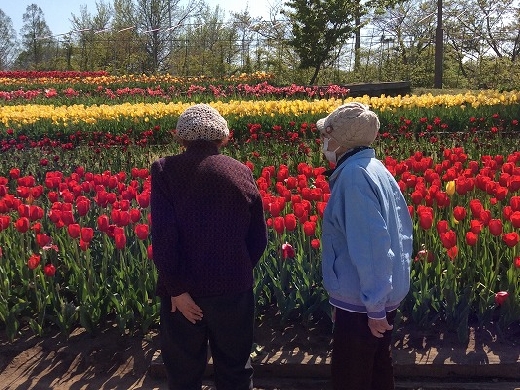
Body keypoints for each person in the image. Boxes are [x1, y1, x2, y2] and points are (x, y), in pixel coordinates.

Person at [150, 103, 268, 390]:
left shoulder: (166, 170)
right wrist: (236, 270)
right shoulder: (240, 171)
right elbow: (258, 237)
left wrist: (176, 289)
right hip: (232, 290)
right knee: (235, 369)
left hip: (183, 296)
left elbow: (164, 236)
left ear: (180, 138)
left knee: (183, 372)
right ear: (223, 136)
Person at [318, 102, 414, 390]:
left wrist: (373, 306)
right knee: (377, 369)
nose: (323, 142)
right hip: (379, 293)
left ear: (341, 140)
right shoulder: (376, 168)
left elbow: (371, 245)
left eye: (326, 136)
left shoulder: (353, 177)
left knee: (352, 375)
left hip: (363, 300)